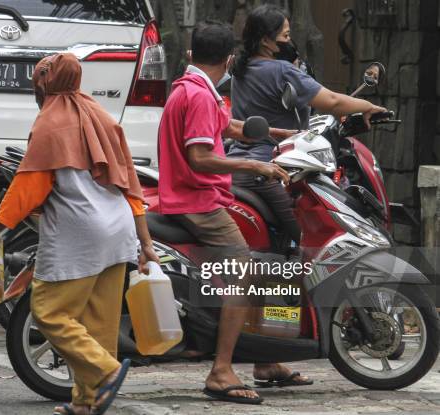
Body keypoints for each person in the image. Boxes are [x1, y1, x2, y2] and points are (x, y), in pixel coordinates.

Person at [0, 53, 160, 415]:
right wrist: (145, 243)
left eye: (38, 78)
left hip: (80, 231)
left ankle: (105, 373)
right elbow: (131, 186)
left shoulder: (50, 122)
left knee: (48, 311)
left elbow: (29, 187)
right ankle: (86, 402)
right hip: (118, 229)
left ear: (46, 81)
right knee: (99, 323)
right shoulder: (101, 116)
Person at [158, 20, 312, 405]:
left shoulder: (194, 89)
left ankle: (266, 357)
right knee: (243, 269)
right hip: (197, 202)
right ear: (229, 61)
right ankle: (222, 369)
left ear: (192, 54)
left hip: (198, 196)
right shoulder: (198, 96)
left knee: (266, 255)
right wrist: (256, 167)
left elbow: (225, 127)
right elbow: (200, 156)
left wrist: (280, 136)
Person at [228, 4, 387, 245]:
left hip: (239, 165)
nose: (289, 41)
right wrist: (367, 106)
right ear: (265, 41)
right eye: (285, 36)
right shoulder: (281, 70)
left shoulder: (240, 69)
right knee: (311, 241)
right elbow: (332, 101)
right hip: (274, 168)